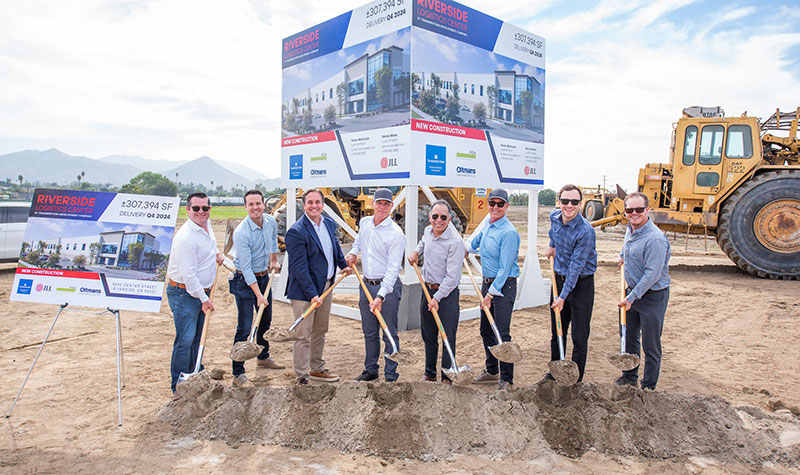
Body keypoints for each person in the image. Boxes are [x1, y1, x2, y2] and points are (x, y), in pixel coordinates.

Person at [285, 188, 351, 385]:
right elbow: (299, 267)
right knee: (303, 334)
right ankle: (302, 376)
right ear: (304, 205)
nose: (314, 206)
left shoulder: (329, 223)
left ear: (322, 204)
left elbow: (335, 249)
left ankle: (317, 368)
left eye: (317, 202)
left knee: (320, 330)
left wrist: (343, 266)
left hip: (326, 287)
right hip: (305, 292)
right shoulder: (296, 232)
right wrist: (313, 294)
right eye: (310, 202)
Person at [166, 192, 224, 400]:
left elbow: (211, 244)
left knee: (198, 338)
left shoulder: (205, 227)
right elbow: (189, 276)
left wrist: (217, 254)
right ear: (187, 210)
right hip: (184, 293)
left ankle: (196, 375)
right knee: (186, 340)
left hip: (200, 291)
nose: (201, 212)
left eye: (205, 208)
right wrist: (204, 299)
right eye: (196, 208)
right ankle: (179, 386)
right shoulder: (185, 238)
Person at [345, 188, 405, 382]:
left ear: (391, 206)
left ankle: (391, 375)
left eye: (386, 204)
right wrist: (353, 253)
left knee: (388, 332)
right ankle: (371, 370)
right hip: (366, 284)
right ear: (373, 203)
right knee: (369, 332)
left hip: (387, 288)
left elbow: (393, 269)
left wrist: (380, 296)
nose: (382, 207)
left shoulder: (396, 234)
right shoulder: (365, 223)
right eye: (379, 203)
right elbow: (358, 242)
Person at [614, 192, 671, 391]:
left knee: (650, 343)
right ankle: (629, 376)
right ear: (625, 212)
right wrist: (623, 257)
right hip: (633, 294)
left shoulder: (655, 239)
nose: (634, 213)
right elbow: (627, 247)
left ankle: (648, 386)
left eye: (639, 210)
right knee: (629, 337)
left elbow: (651, 275)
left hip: (652, 296)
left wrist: (631, 297)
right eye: (630, 210)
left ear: (647, 210)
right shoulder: (630, 229)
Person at [229, 189, 284, 389]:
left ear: (263, 204)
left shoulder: (269, 221)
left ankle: (263, 356)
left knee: (265, 320)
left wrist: (274, 259)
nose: (255, 208)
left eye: (258, 204)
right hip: (244, 280)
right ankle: (238, 372)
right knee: (244, 326)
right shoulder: (242, 233)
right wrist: (259, 295)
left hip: (263, 276)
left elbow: (271, 239)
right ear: (246, 207)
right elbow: (246, 267)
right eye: (251, 205)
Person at [466, 188, 520, 390]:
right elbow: (476, 242)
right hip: (488, 283)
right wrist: (466, 249)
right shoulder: (489, 224)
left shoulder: (509, 233)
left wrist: (489, 295)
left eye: (500, 204)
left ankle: (507, 379)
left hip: (503, 286)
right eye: (492, 203)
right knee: (486, 330)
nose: (495, 207)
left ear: (506, 206)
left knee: (501, 333)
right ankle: (492, 371)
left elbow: (505, 269)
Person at [543, 184, 597, 383]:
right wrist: (551, 246)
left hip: (581, 285)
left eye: (574, 202)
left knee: (579, 336)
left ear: (580, 204)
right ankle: (555, 371)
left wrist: (563, 297)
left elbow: (576, 267)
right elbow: (553, 232)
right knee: (557, 330)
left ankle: (575, 379)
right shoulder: (554, 217)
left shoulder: (586, 231)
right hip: (558, 279)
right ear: (559, 202)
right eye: (565, 201)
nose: (569, 205)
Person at [408, 200, 464, 384]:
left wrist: (438, 298)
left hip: (446, 295)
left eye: (443, 217)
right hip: (427, 290)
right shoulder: (427, 232)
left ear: (449, 219)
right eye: (434, 216)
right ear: (430, 217)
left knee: (447, 334)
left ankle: (447, 376)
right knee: (428, 335)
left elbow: (452, 277)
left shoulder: (455, 242)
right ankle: (430, 373)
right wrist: (416, 252)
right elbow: (423, 243)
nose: (438, 220)